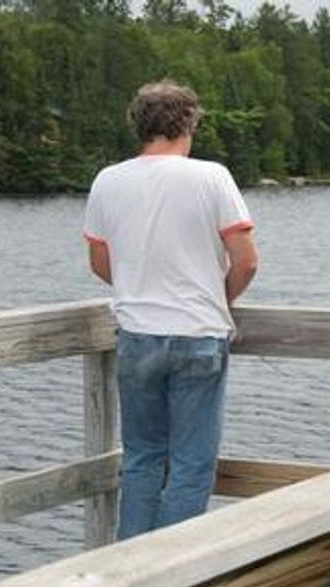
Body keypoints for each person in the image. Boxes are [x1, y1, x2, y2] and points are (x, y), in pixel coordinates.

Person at [82, 80, 259, 540]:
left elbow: (101, 261)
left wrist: (142, 288)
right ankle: (173, 578)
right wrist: (214, 297)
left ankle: (132, 574)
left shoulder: (108, 180)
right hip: (198, 333)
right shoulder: (211, 177)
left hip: (137, 335)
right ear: (188, 124)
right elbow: (246, 261)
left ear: (138, 126)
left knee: (141, 458)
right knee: (191, 464)